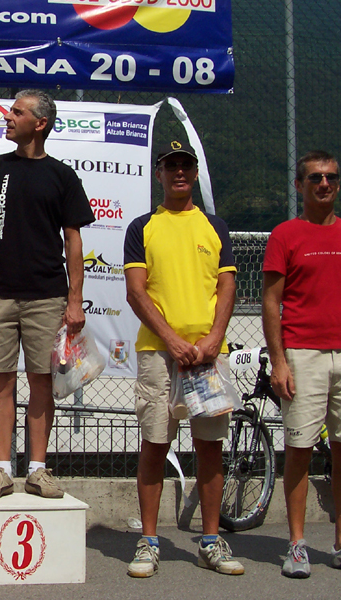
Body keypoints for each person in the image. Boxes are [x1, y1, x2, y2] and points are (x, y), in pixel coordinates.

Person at [0, 90, 94, 499]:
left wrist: (74, 300)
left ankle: (37, 470)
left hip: (47, 296)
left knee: (41, 382)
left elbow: (73, 240)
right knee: (0, 384)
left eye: (17, 112)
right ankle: (1, 470)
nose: (8, 117)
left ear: (40, 123)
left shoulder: (62, 176)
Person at [123, 140, 244, 577]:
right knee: (155, 444)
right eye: (170, 165)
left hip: (210, 357)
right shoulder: (142, 227)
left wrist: (215, 338)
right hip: (159, 353)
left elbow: (227, 287)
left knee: (210, 447)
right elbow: (136, 292)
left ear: (194, 173)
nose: (178, 172)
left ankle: (210, 542)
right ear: (159, 173)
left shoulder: (215, 226)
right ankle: (149, 542)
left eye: (185, 166)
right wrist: (172, 340)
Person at [262, 150, 341, 578]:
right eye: (315, 178)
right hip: (302, 355)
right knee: (299, 451)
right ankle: (296, 545)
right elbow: (271, 302)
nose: (324, 184)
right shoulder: (285, 235)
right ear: (299, 185)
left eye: (331, 177)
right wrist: (279, 362)